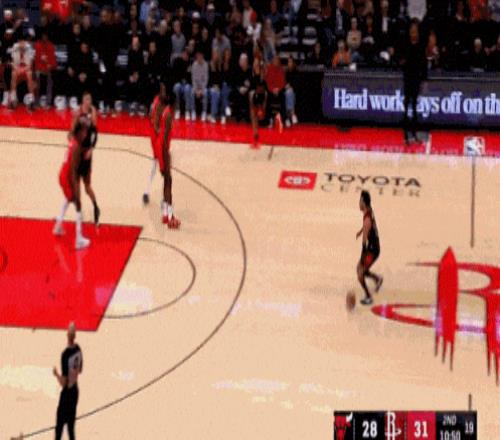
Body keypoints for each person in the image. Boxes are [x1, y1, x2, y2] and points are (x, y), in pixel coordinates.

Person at [53, 118, 90, 250]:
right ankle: (78, 240)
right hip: (68, 177)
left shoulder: (73, 139)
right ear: (81, 131)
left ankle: (58, 226)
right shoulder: (76, 147)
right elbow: (74, 171)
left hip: (62, 174)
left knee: (68, 199)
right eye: (85, 130)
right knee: (77, 204)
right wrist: (76, 189)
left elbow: (70, 135)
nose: (86, 133)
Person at [73, 91, 100, 226]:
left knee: (87, 186)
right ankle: (79, 212)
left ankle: (96, 207)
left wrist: (91, 149)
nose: (88, 102)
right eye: (86, 99)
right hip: (78, 151)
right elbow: (73, 131)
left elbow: (95, 134)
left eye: (90, 99)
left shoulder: (93, 113)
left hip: (87, 152)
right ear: (83, 101)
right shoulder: (78, 112)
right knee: (76, 183)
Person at [53, 322, 83, 440]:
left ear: (67, 335)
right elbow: (80, 370)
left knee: (59, 427)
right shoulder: (78, 349)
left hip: (67, 393)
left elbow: (64, 382)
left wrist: (56, 374)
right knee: (71, 427)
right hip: (75, 390)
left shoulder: (65, 355)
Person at [401, 20, 426, 144]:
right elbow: (402, 62)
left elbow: (423, 64)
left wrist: (424, 79)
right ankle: (406, 135)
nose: (413, 34)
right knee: (406, 107)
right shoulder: (406, 46)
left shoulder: (420, 47)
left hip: (416, 79)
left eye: (415, 32)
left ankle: (415, 134)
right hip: (408, 79)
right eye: (412, 32)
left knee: (415, 107)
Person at [356, 190, 383, 305]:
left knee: (360, 273)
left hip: (372, 250)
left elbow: (364, 242)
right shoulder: (369, 210)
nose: (358, 203)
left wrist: (363, 256)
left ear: (364, 203)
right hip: (373, 247)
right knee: (361, 269)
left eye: (360, 201)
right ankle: (377, 279)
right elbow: (367, 226)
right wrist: (361, 231)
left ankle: (368, 297)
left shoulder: (367, 218)